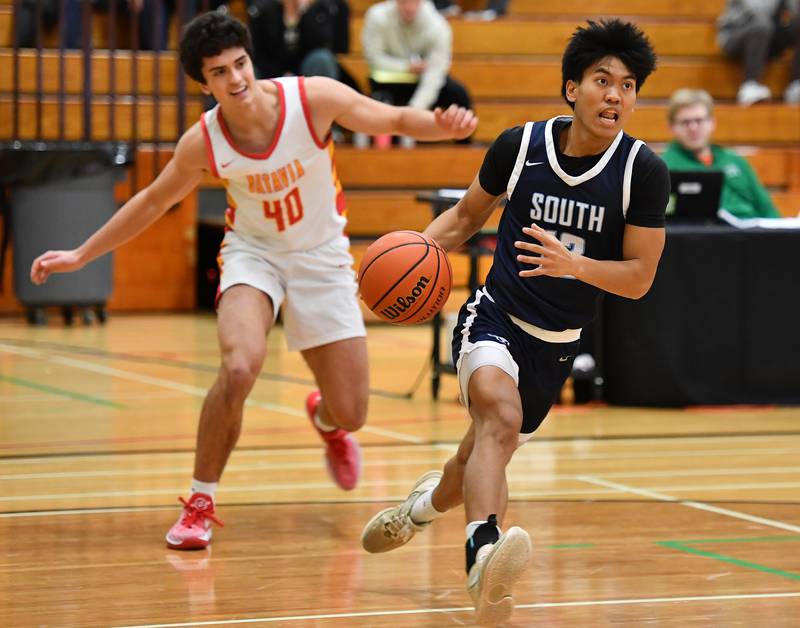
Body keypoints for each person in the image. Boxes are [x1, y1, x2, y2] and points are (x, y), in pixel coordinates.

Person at [29, 11, 476, 550]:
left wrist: (440, 126)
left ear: (251, 59)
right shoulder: (205, 141)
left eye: (239, 64)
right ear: (203, 83)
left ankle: (326, 420)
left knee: (353, 413)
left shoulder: (310, 100)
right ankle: (200, 501)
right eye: (219, 72)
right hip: (254, 255)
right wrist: (81, 254)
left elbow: (391, 120)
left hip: (321, 257)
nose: (235, 79)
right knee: (240, 365)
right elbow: (152, 201)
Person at [359, 19, 668, 626]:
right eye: (602, 81)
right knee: (498, 416)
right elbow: (465, 217)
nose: (615, 96)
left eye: (628, 86)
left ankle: (419, 510)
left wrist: (574, 266)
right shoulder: (520, 146)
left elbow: (639, 278)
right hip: (494, 314)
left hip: (555, 346)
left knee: (475, 458)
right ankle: (483, 561)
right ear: (570, 88)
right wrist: (395, 267)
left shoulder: (641, 171)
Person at [662, 88, 781, 219]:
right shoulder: (664, 167)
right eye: (685, 122)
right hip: (710, 236)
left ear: (712, 123)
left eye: (699, 120)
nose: (693, 128)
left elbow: (766, 208)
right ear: (671, 127)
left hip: (756, 232)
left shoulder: (735, 160)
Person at [361, 0, 472, 122]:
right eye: (404, 2)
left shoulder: (438, 25)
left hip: (422, 81)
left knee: (459, 95)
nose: (409, 8)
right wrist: (406, 67)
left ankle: (463, 140)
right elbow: (374, 58)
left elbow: (436, 72)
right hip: (387, 81)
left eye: (414, 2)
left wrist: (416, 109)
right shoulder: (377, 16)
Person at [717, 0, 800, 105]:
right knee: (761, 26)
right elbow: (759, 12)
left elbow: (794, 11)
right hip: (735, 34)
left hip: (768, 36)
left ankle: (796, 85)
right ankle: (750, 85)